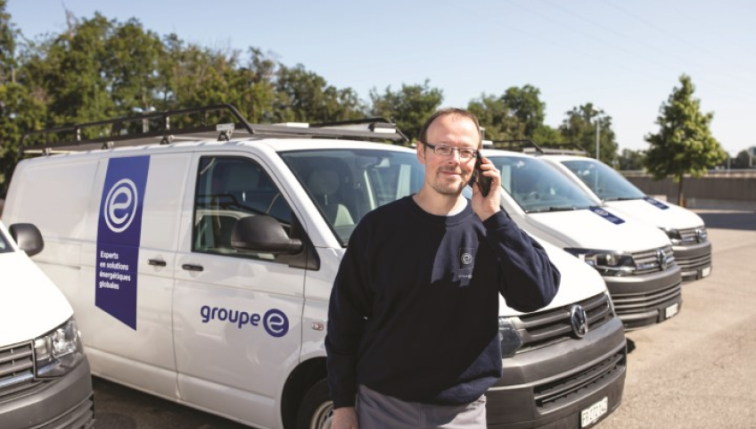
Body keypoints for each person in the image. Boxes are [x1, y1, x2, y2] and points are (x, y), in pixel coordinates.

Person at [325, 108, 561, 428]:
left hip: (462, 412)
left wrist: (493, 216)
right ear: (421, 152)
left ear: (479, 162)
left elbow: (537, 294)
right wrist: (342, 405)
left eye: (466, 151)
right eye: (443, 148)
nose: (455, 159)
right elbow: (344, 321)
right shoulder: (378, 228)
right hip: (383, 407)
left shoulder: (492, 229)